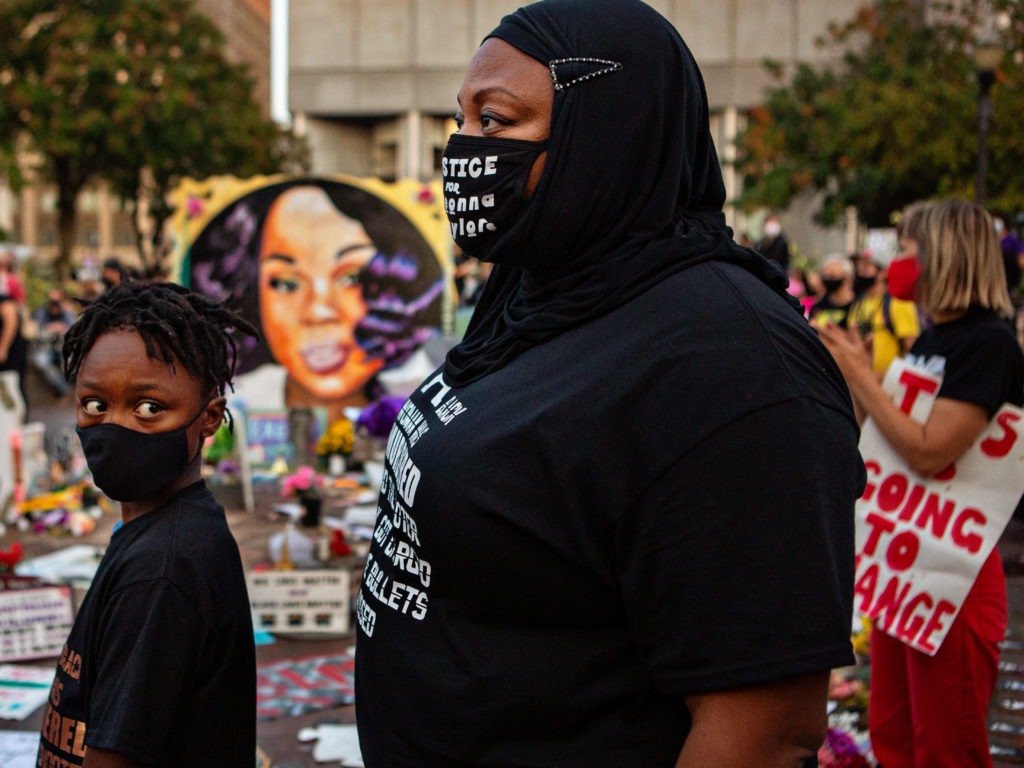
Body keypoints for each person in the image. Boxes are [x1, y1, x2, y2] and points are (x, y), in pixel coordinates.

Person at [354, 1, 864, 766]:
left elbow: (763, 729)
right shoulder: (540, 284)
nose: (462, 150)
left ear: (610, 135)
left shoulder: (731, 366)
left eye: (494, 122)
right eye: (459, 121)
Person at [820, 199, 1024, 768]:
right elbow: (888, 447)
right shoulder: (937, 340)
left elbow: (931, 452)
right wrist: (860, 385)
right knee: (893, 736)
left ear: (944, 257)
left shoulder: (989, 344)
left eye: (907, 252)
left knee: (946, 746)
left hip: (953, 579)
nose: (897, 268)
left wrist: (866, 379)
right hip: (908, 577)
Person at [37, 281, 259, 767]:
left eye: (149, 409)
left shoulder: (159, 573)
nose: (115, 427)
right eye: (95, 405)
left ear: (209, 418)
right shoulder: (163, 532)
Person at [189, 179, 446, 420]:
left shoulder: (427, 401)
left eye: (351, 278)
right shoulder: (229, 408)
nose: (319, 311)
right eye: (286, 283)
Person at [846, 252, 920, 379]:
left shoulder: (898, 302)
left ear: (882, 272)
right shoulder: (857, 303)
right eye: (858, 266)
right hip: (861, 382)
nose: (860, 270)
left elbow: (912, 348)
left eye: (866, 266)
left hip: (889, 384)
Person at [31, 287, 77, 396]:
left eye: (57, 300)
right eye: (52, 300)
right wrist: (49, 328)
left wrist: (62, 328)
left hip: (62, 346)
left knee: (69, 362)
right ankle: (64, 389)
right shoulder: (42, 312)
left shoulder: (67, 312)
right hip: (45, 346)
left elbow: (74, 329)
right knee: (42, 363)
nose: (54, 304)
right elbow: (35, 330)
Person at [0, 274, 28, 410]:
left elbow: (11, 322)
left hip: (11, 352)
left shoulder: (5, 301)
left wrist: (3, 348)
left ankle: (18, 422)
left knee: (14, 387)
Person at [808, 253, 856, 328]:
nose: (828, 280)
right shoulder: (818, 307)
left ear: (847, 278)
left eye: (833, 276)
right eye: (825, 276)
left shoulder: (857, 306)